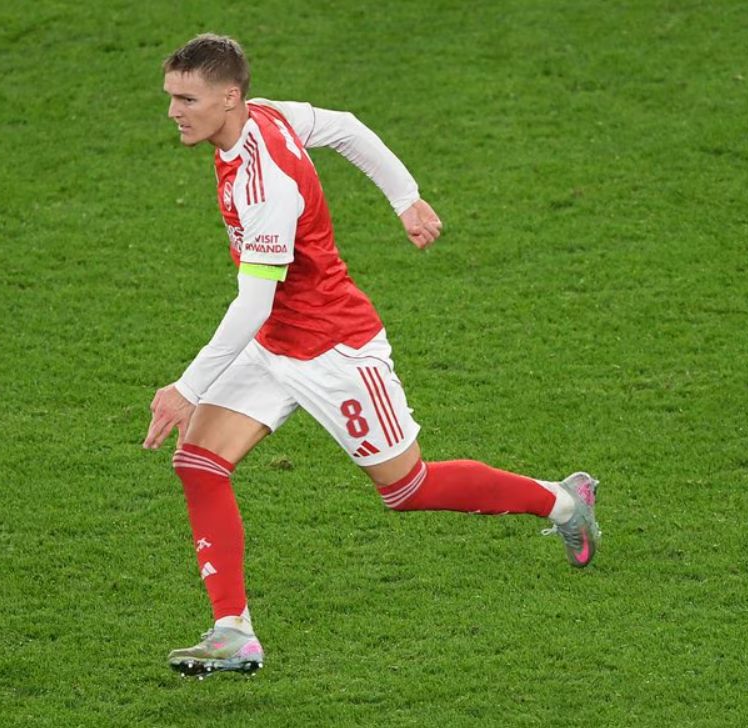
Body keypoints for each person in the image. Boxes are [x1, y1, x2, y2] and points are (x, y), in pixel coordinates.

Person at [144, 33, 601, 678]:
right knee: (198, 463)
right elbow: (347, 127)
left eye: (187, 99)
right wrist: (405, 198)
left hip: (334, 351)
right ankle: (233, 632)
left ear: (229, 97)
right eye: (171, 97)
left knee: (408, 489)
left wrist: (187, 388)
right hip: (274, 342)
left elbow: (252, 301)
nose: (173, 112)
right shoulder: (265, 116)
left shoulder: (266, 184)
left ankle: (563, 502)